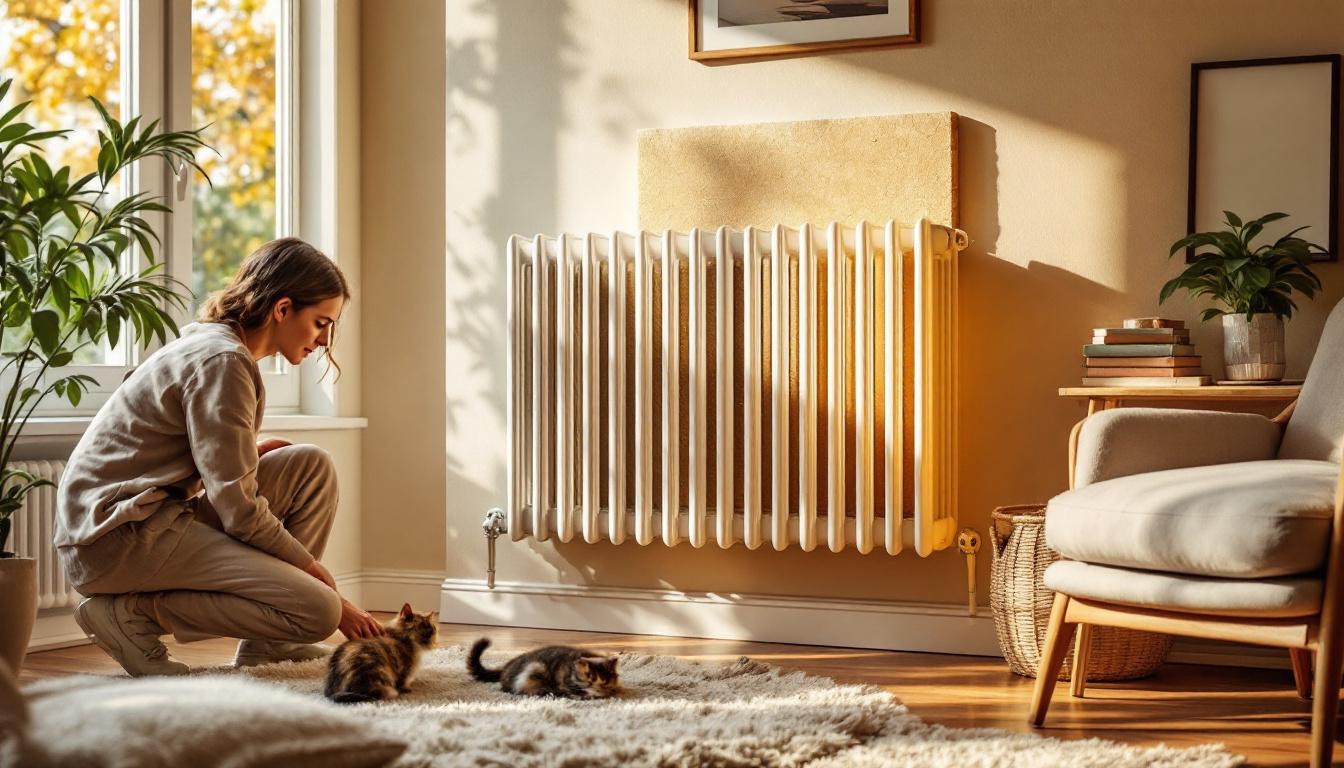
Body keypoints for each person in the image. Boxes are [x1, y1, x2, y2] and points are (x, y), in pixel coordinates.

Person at [54, 237, 383, 676]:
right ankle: (133, 614)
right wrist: (316, 577)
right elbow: (240, 512)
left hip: (147, 519)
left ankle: (272, 641)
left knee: (309, 466)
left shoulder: (216, 347)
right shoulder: (222, 360)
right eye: (320, 322)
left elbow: (188, 453)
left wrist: (247, 453)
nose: (324, 340)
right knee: (319, 612)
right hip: (116, 539)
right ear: (282, 309)